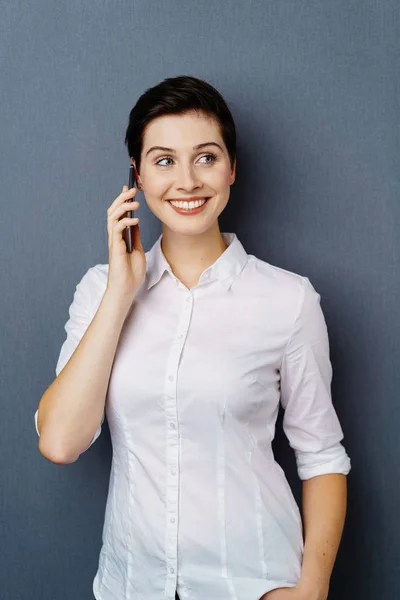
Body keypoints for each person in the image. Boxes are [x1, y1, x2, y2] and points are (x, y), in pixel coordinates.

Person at [34, 75, 351, 600]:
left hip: (253, 582)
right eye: (163, 160)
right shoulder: (99, 290)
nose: (187, 181)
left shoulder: (289, 301)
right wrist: (121, 293)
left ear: (231, 168)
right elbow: (61, 442)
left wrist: (313, 588)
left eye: (205, 157)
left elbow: (322, 456)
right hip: (131, 585)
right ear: (135, 175)